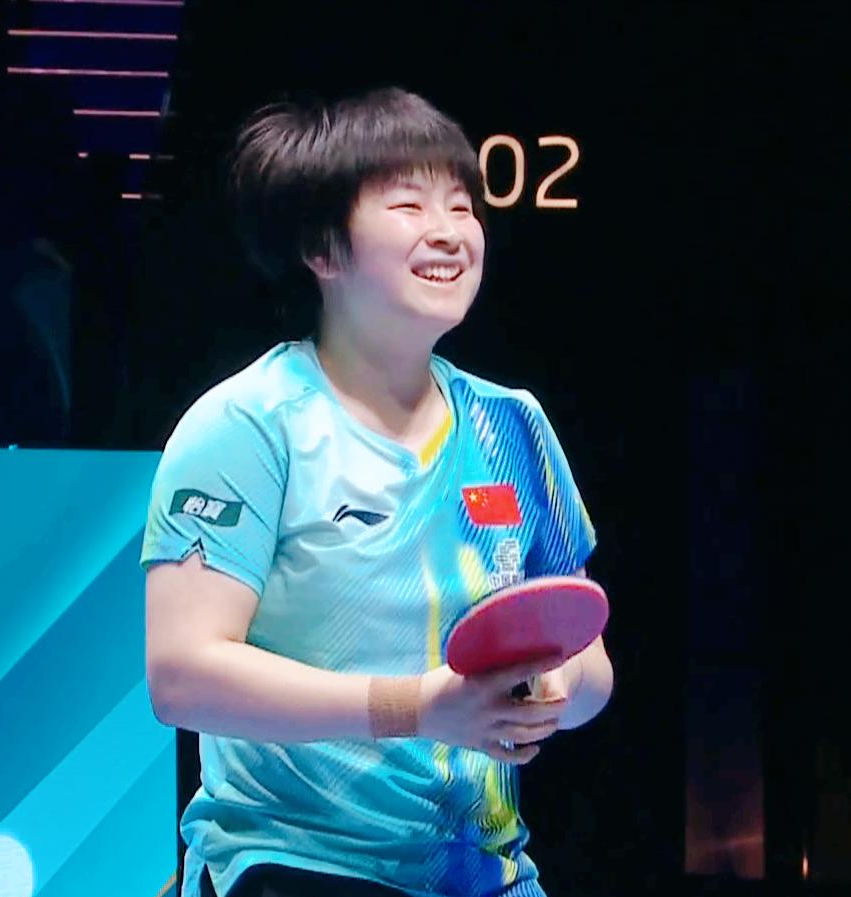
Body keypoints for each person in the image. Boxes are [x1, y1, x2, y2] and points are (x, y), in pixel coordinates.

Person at [141, 87, 614, 897]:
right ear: (322, 249)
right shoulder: (250, 424)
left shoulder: (512, 425)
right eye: (407, 205)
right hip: (292, 863)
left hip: (487, 871)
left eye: (461, 206)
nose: (449, 231)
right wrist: (416, 707)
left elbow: (588, 661)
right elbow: (182, 675)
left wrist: (548, 692)